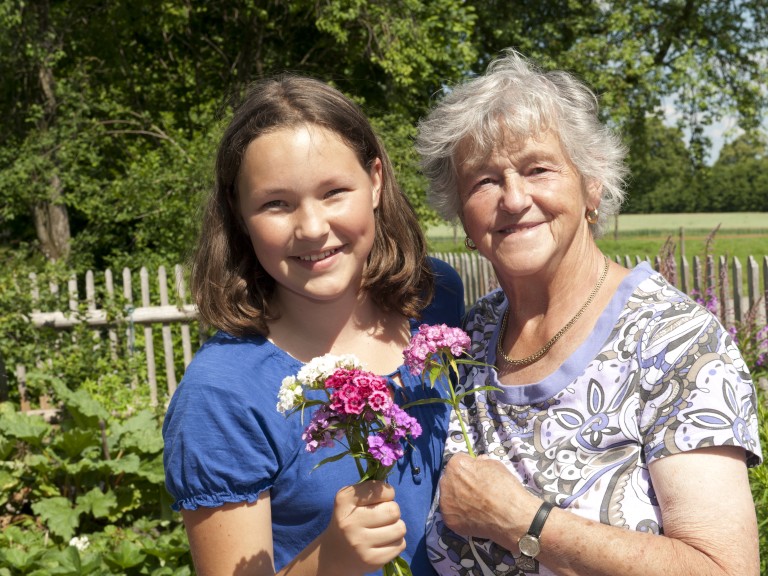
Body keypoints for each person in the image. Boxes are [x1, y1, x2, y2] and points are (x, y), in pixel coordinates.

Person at [414, 49, 762, 576]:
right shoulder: (467, 338)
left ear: (591, 186)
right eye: (484, 181)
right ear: (461, 213)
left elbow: (722, 569)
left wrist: (521, 521)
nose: (513, 199)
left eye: (538, 169)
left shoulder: (675, 342)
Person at [162, 74, 465, 576]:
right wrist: (327, 561)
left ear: (376, 181)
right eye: (275, 203)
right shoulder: (222, 395)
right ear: (239, 214)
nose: (311, 228)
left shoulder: (436, 299)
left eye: (333, 192)